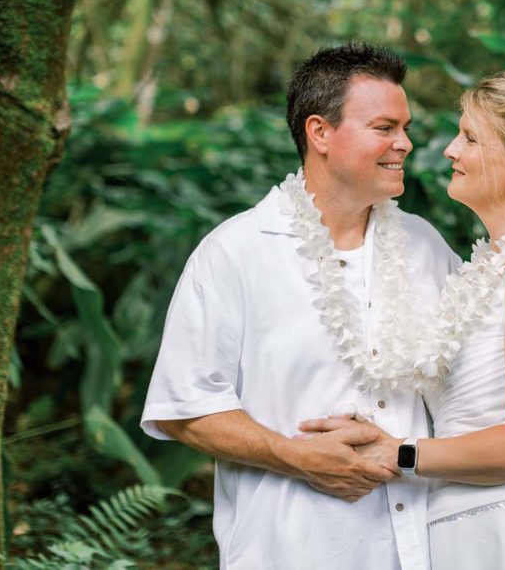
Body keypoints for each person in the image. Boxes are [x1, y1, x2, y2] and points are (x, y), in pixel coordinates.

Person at [140, 42, 462, 569]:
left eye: (405, 128)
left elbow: (486, 353)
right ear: (320, 133)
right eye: (385, 128)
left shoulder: (425, 245)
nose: (405, 144)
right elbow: (185, 408)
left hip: (421, 546)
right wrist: (295, 457)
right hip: (292, 550)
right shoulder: (235, 252)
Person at [300, 70, 505, 569]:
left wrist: (400, 454)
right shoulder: (494, 267)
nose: (450, 150)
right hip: (461, 532)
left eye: (470, 137)